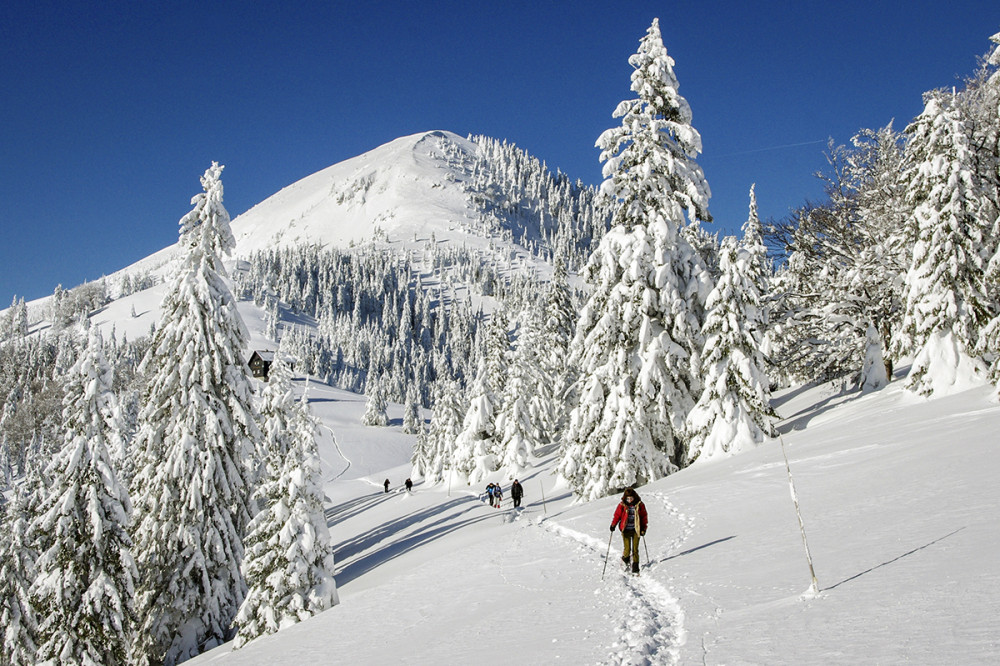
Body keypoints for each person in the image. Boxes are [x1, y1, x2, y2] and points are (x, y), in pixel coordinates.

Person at [610, 487, 648, 574]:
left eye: (631, 498)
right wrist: (613, 525)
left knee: (635, 549)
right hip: (626, 530)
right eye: (628, 498)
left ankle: (635, 567)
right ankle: (625, 560)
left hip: (636, 530)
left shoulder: (639, 505)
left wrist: (643, 528)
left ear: (634, 497)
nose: (629, 500)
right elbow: (617, 515)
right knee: (627, 549)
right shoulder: (622, 505)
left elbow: (644, 517)